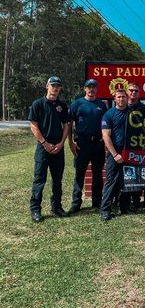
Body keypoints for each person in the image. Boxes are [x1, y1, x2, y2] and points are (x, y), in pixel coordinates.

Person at [28, 76, 70, 222]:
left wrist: (61, 143)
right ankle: (35, 210)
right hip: (43, 147)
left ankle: (57, 207)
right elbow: (33, 125)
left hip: (58, 147)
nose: (55, 88)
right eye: (53, 85)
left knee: (57, 179)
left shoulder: (62, 105)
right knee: (40, 179)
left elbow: (66, 125)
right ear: (47, 86)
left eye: (58, 85)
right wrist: (44, 143)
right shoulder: (38, 104)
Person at [68, 79, 107, 215]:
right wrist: (70, 142)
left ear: (97, 89)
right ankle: (75, 204)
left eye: (93, 87)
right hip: (82, 144)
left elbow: (106, 124)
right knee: (79, 174)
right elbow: (69, 123)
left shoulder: (101, 105)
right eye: (88, 87)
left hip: (97, 144)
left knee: (98, 174)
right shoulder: (77, 103)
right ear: (84, 89)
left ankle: (96, 203)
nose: (91, 90)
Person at [99, 89, 132, 220]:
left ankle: (124, 207)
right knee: (111, 181)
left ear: (127, 98)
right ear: (115, 98)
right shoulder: (109, 114)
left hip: (130, 151)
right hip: (115, 151)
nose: (121, 99)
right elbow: (106, 136)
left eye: (123, 97)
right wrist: (114, 154)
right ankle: (105, 210)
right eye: (118, 97)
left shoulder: (132, 113)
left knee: (127, 180)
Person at [126, 83, 145, 209]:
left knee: (138, 173)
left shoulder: (144, 108)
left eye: (136, 91)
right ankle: (124, 199)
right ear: (128, 92)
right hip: (124, 145)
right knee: (125, 173)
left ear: (139, 93)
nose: (133, 92)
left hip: (139, 145)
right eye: (131, 90)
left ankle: (136, 199)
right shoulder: (122, 106)